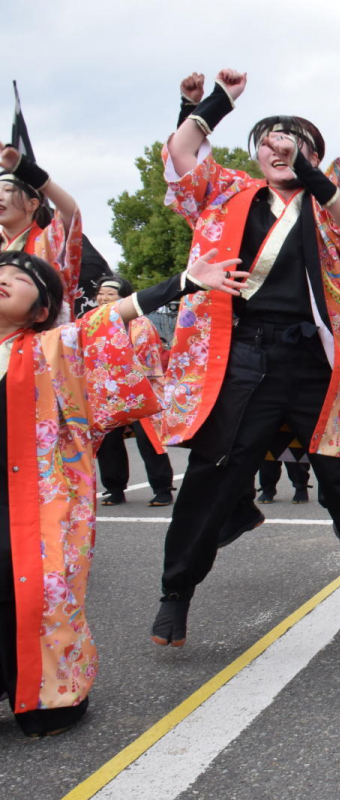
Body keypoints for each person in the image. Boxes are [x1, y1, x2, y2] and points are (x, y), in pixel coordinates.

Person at [150, 67, 340, 648]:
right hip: (245, 355)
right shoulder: (226, 193)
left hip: (315, 361)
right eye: (269, 142)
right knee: (214, 472)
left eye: (294, 143)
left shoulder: (327, 206)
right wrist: (217, 102)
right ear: (257, 154)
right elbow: (182, 154)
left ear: (313, 157)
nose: (280, 149)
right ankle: (177, 592)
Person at [1, 248, 244, 736]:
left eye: (20, 275)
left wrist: (184, 282)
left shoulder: (52, 346)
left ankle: (49, 697)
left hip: (40, 495)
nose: (4, 277)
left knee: (39, 592)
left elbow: (107, 319)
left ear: (43, 308)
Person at [92, 277, 176, 507]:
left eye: (110, 294)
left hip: (141, 387)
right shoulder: (92, 323)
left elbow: (146, 361)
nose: (104, 298)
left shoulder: (141, 324)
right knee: (108, 442)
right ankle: (114, 489)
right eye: (101, 293)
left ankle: (163, 488)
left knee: (148, 440)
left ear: (124, 298)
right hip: (108, 391)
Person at [0, 147, 82, 320]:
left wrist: (27, 170)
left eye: (8, 191)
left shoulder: (47, 241)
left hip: (39, 332)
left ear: (32, 204)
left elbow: (70, 212)